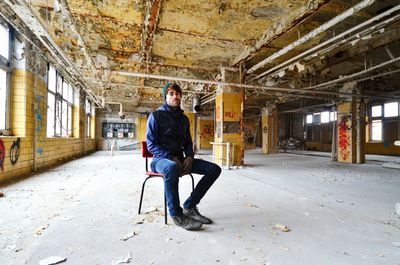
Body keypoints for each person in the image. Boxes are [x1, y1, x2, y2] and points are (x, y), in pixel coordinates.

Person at [146, 83, 221, 231]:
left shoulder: (184, 119)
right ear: (165, 96)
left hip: (181, 160)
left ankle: (190, 206)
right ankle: (177, 215)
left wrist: (190, 157)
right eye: (171, 93)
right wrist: (170, 157)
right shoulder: (155, 116)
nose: (176, 96)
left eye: (178, 93)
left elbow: (188, 142)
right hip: (160, 160)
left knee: (214, 169)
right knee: (172, 167)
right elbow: (151, 145)